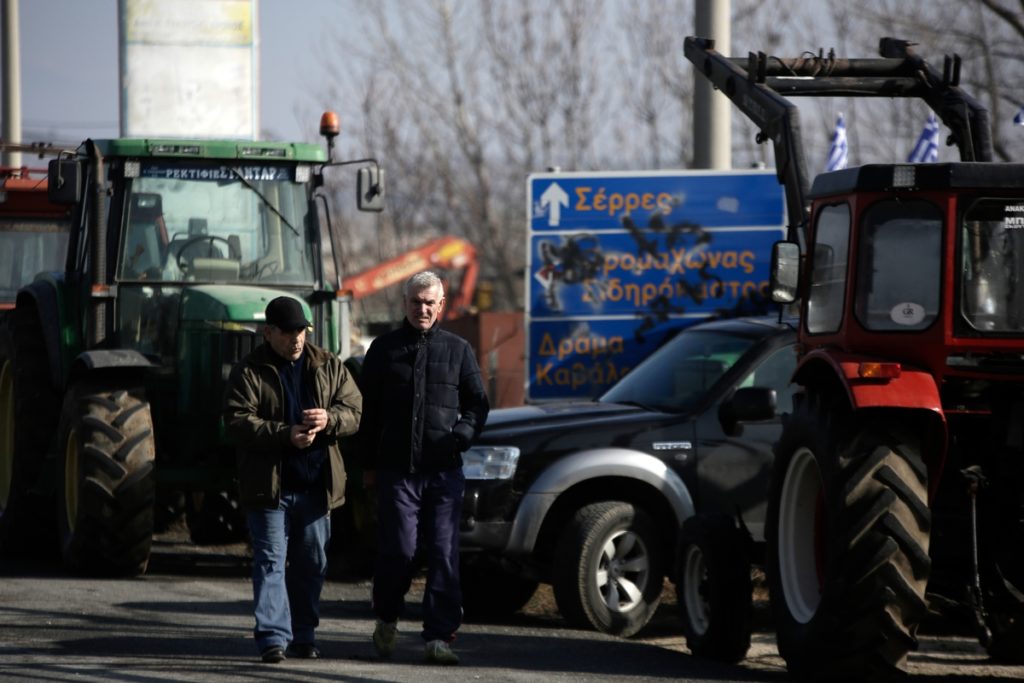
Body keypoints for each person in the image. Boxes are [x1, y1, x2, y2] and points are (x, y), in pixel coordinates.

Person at [358, 271, 490, 665]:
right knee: (399, 550)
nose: (423, 309)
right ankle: (386, 617)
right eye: (416, 302)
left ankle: (439, 637)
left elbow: (478, 404)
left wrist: (461, 435)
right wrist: (366, 466)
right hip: (396, 471)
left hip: (444, 471)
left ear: (441, 305)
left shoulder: (459, 350)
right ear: (405, 304)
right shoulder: (383, 350)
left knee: (444, 554)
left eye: (430, 302)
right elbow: (368, 414)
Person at [224, 296, 363, 664]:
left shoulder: (328, 365)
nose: (296, 339)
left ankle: (304, 635)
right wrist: (284, 434)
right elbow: (237, 420)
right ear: (268, 333)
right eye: (287, 333)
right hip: (270, 488)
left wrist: (328, 420)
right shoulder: (250, 371)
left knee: (311, 564)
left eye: (301, 331)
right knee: (271, 561)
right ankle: (272, 637)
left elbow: (354, 411)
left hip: (316, 487)